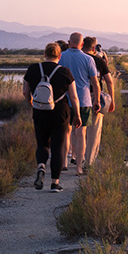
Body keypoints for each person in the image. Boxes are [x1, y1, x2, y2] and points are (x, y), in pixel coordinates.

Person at [23, 42, 81, 192]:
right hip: (60, 113)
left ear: (44, 54)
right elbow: (74, 97)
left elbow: (25, 91)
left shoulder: (33, 69)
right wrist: (77, 115)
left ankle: (41, 166)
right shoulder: (65, 72)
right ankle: (55, 183)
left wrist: (32, 103)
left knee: (42, 144)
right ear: (59, 56)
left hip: (40, 112)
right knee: (58, 147)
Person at [58, 32, 100, 175]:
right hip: (83, 100)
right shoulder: (88, 59)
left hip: (64, 100)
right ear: (82, 44)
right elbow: (95, 83)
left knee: (65, 132)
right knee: (81, 133)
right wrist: (98, 100)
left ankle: (63, 162)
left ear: (69, 42)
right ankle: (78, 168)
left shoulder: (60, 57)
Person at [81, 36, 115, 166]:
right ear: (94, 48)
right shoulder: (97, 60)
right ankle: (89, 162)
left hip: (78, 97)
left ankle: (77, 158)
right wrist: (112, 100)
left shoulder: (77, 59)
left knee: (78, 130)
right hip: (95, 98)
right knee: (94, 131)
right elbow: (109, 81)